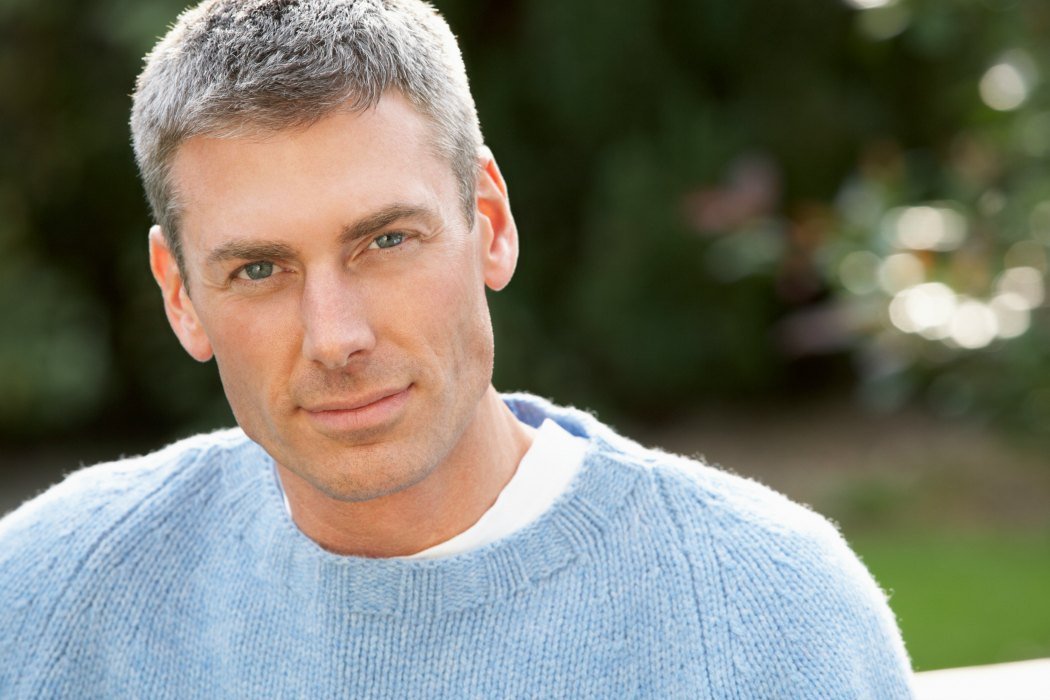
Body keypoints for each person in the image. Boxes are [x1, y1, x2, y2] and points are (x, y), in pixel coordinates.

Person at [0, 1, 915, 696]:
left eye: (386, 241)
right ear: (181, 296)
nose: (337, 337)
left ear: (490, 222)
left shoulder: (768, 614)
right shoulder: (51, 592)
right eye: (260, 269)